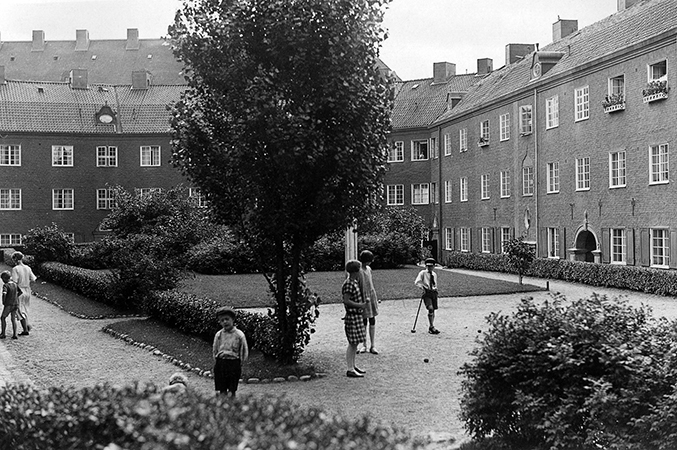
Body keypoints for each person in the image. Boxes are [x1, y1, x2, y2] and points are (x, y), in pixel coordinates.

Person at [213, 306, 248, 397]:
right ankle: (222, 406)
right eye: (222, 320)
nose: (225, 322)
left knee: (232, 389)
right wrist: (217, 361)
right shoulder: (219, 335)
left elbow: (244, 351)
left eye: (227, 319)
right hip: (221, 363)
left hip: (233, 363)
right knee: (222, 388)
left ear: (233, 319)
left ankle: (232, 406)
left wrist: (240, 363)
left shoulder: (239, 335)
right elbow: (215, 349)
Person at [342, 259, 367, 378]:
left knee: (355, 342)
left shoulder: (354, 282)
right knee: (352, 343)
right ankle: (350, 368)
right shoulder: (349, 284)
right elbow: (346, 300)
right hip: (352, 316)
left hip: (356, 316)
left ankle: (353, 365)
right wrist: (360, 305)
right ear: (356, 271)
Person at [357, 250, 379, 355]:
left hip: (371, 296)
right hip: (363, 297)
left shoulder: (369, 269)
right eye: (368, 261)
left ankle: (373, 345)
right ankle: (364, 345)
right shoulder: (358, 270)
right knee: (364, 320)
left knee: (372, 319)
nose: (369, 263)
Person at [11, 251, 37, 336]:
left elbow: (15, 281)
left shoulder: (15, 269)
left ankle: (25, 329)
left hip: (20, 290)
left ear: (15, 259)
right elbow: (33, 278)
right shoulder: (28, 268)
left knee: (19, 310)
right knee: (25, 308)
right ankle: (27, 325)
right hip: (27, 290)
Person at [414, 257, 440, 334]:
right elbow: (417, 282)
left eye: (431, 266)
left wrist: (435, 289)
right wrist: (422, 288)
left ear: (434, 266)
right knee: (430, 308)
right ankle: (431, 327)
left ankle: (431, 326)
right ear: (425, 266)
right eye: (428, 266)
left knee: (434, 309)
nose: (429, 268)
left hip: (433, 292)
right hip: (427, 293)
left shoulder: (434, 274)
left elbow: (435, 283)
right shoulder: (422, 273)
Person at [1, 271, 21, 340]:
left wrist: (4, 301)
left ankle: (3, 333)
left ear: (4, 278)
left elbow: (4, 293)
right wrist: (15, 296)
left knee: (3, 317)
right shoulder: (15, 284)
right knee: (13, 319)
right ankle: (15, 334)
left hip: (8, 304)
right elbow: (20, 292)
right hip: (15, 304)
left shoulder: (6, 285)